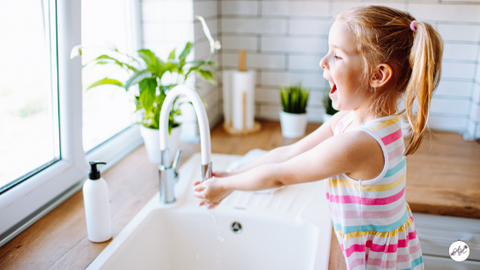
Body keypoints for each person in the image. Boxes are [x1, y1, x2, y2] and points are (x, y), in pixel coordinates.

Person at [194, 5, 442, 270]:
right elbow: (289, 153)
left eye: (337, 55)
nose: (323, 62)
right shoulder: (359, 121)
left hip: (368, 258)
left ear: (377, 75)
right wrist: (231, 176)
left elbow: (278, 175)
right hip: (367, 245)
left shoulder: (359, 144)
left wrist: (224, 188)